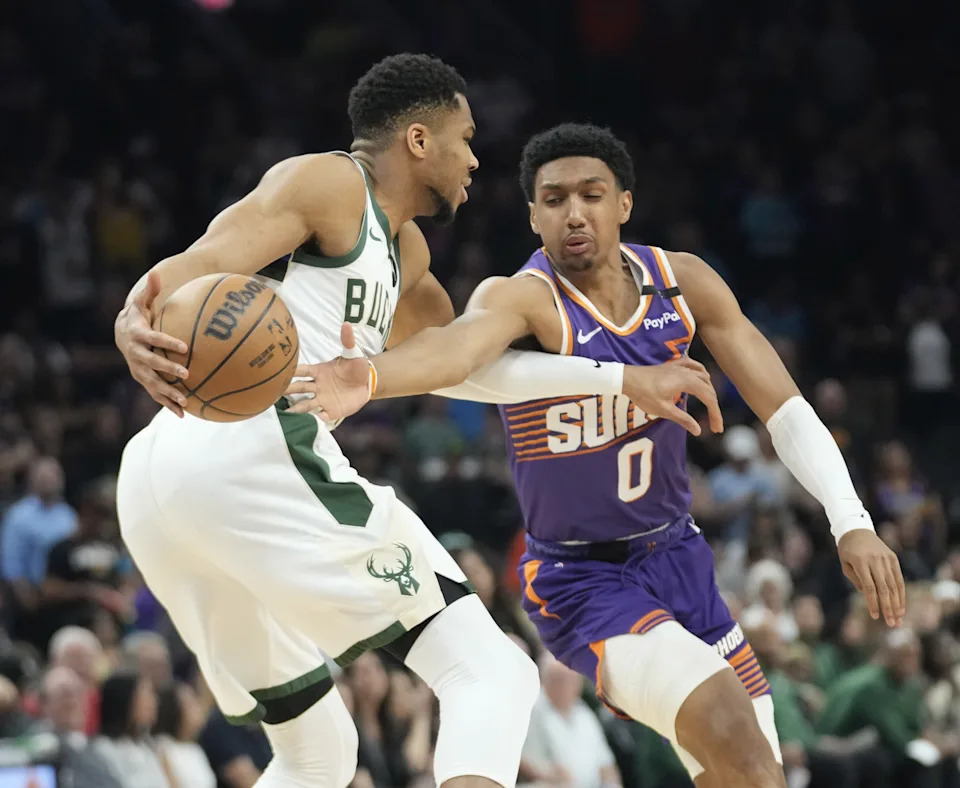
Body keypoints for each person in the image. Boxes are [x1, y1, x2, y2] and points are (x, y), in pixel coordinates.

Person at [113, 56, 701, 788]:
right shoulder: (329, 184)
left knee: (317, 751)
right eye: (466, 137)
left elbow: (463, 365)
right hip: (252, 451)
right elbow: (198, 263)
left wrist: (618, 379)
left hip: (159, 486)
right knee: (494, 673)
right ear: (418, 140)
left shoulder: (408, 255)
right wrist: (131, 315)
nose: (476, 158)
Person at [295, 123, 907, 787]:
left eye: (591, 194)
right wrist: (370, 377)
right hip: (581, 580)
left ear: (624, 203)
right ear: (533, 215)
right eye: (554, 199)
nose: (574, 212)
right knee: (731, 727)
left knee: (755, 773)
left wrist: (851, 521)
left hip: (681, 558)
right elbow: (458, 350)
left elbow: (785, 408)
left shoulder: (682, 285)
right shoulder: (524, 299)